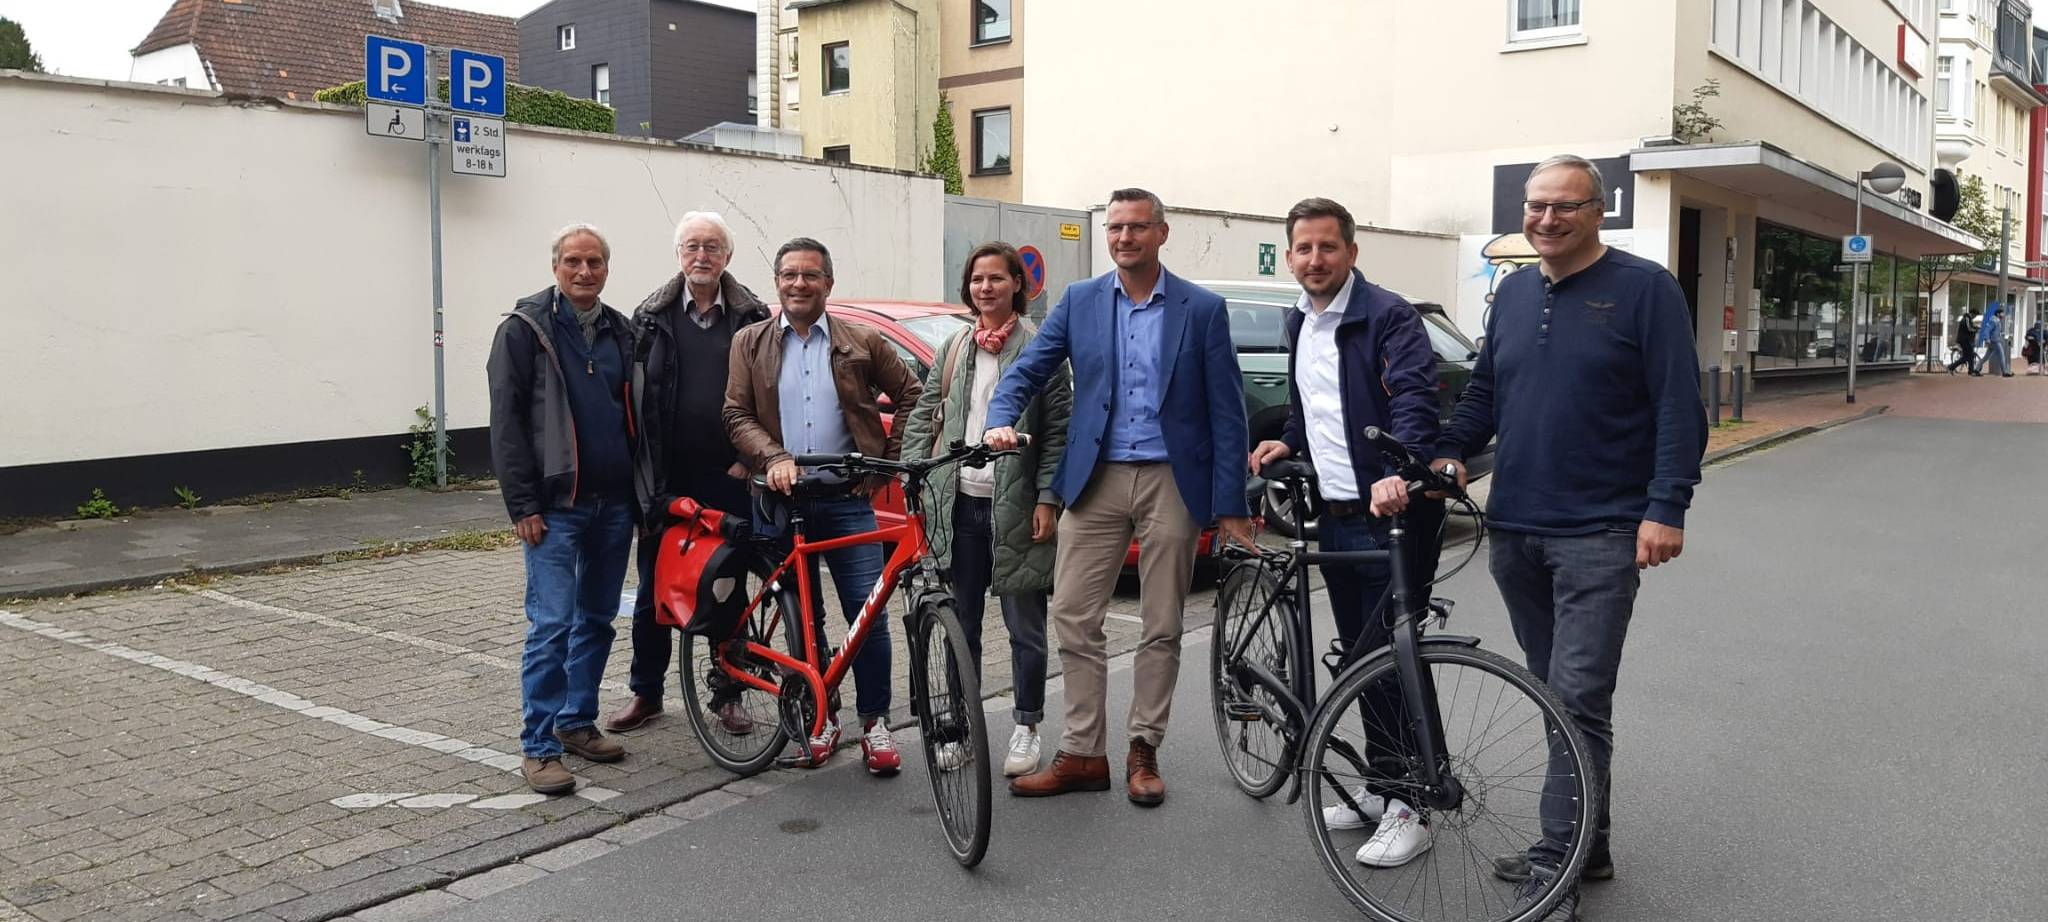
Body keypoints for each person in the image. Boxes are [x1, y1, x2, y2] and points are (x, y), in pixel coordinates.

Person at [1415, 155, 1707, 919]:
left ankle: (1558, 861)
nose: (1547, 219)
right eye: (1536, 205)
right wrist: (1450, 450)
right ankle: (1589, 844)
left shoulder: (1645, 290)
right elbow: (1487, 391)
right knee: (1554, 694)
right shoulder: (1514, 293)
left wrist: (1667, 506)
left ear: (1598, 211)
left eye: (1565, 206)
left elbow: (1679, 405)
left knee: (1577, 701)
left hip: (1602, 531)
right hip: (1516, 528)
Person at [984, 188, 1253, 807]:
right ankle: (1083, 751)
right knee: (1074, 614)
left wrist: (1231, 502)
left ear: (1161, 233)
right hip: (1096, 475)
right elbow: (1029, 368)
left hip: (1172, 478)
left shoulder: (1202, 309)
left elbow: (1228, 410)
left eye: (1136, 227)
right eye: (1114, 228)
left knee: (1161, 622)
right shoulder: (1080, 300)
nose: (1124, 237)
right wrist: (1000, 416)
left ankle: (1143, 747)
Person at [1247, 197, 1445, 867]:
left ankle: (1415, 805)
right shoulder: (1299, 320)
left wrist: (1399, 470)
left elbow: (1414, 400)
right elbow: (1314, 405)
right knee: (1360, 661)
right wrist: (1288, 440)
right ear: (1290, 256)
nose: (1315, 259)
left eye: (1327, 247)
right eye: (1303, 248)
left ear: (1351, 253)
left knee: (1394, 659)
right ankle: (1383, 787)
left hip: (1391, 517)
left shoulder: (1389, 316)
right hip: (1334, 516)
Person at [723, 237, 923, 775]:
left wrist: (884, 463)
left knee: (868, 613)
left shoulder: (862, 339)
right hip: (780, 502)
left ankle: (875, 723)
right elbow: (735, 413)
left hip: (846, 499)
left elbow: (912, 394)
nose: (799, 284)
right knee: (801, 622)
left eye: (810, 275)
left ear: (828, 284)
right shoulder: (750, 342)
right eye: (789, 274)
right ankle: (819, 719)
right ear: (777, 282)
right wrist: (774, 457)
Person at [901, 242, 1073, 778]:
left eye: (997, 278)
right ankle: (961, 728)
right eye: (977, 279)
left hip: (1016, 508)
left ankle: (1027, 726)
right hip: (960, 507)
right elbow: (926, 413)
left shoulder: (1040, 350)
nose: (986, 288)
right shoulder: (955, 347)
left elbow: (1058, 432)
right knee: (962, 627)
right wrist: (915, 476)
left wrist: (1047, 498)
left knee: (1025, 628)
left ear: (1017, 284)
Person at [487, 224, 639, 794]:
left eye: (594, 262)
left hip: (614, 505)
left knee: (596, 619)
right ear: (556, 267)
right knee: (551, 625)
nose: (584, 271)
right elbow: (506, 423)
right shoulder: (524, 330)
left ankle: (576, 722)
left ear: (606, 269)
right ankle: (539, 746)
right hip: (554, 509)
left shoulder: (620, 331)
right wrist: (522, 504)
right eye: (573, 261)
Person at [607, 212, 771, 735]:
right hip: (665, 480)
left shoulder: (752, 316)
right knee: (654, 590)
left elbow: (768, 393)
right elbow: (633, 402)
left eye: (712, 247)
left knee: (728, 588)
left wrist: (750, 459)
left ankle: (729, 694)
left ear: (728, 256)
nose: (702, 256)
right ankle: (646, 692)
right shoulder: (650, 316)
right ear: (679, 254)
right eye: (692, 246)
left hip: (729, 478)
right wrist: (641, 479)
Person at [1979, 302, 2014, 377]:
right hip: (1995, 341)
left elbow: (1994, 331)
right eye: (2002, 313)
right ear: (1998, 314)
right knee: (2001, 355)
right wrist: (1987, 338)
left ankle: (1976, 369)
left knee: (1986, 356)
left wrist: (2000, 334)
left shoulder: (1996, 321)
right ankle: (2004, 372)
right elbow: (1987, 330)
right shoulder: (1994, 321)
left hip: (1993, 341)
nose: (2003, 315)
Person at [1947, 308, 1979, 376]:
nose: (1975, 317)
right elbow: (1969, 328)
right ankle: (1971, 371)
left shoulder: (1968, 319)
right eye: (1975, 315)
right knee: (1970, 355)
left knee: (1966, 357)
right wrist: (1976, 329)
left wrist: (1975, 327)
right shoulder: (1967, 318)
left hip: (1966, 340)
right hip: (1965, 340)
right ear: (1972, 313)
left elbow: (1969, 327)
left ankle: (1951, 367)